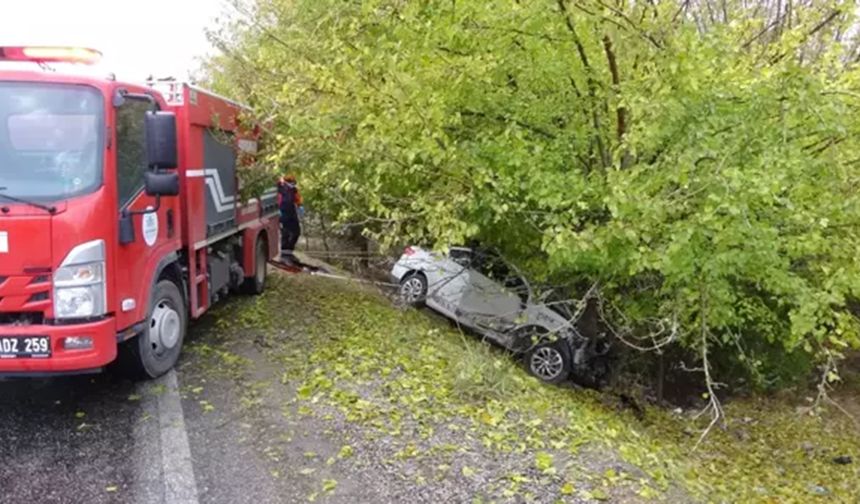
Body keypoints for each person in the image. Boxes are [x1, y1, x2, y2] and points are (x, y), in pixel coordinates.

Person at [277, 174, 304, 257]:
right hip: (282, 212)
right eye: (291, 182)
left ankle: (289, 250)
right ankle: (284, 253)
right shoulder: (280, 188)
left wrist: (300, 206)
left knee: (296, 232)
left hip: (292, 213)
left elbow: (298, 199)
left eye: (293, 182)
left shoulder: (294, 190)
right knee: (285, 233)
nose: (292, 184)